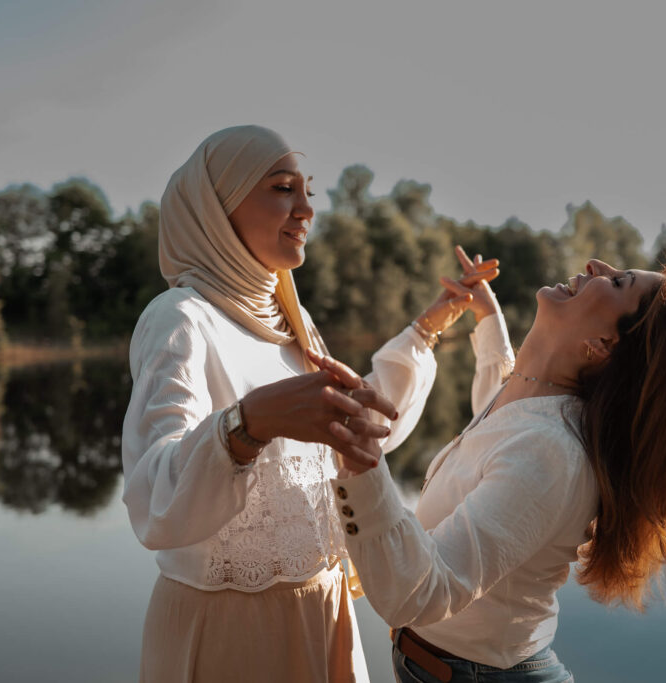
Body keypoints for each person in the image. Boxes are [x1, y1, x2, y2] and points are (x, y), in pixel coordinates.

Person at [120, 124, 498, 683]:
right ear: (217, 207)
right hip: (232, 637)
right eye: (281, 188)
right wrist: (245, 426)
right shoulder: (182, 318)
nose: (306, 210)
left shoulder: (288, 321)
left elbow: (359, 427)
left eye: (308, 191)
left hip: (326, 618)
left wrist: (430, 325)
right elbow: (154, 501)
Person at [309, 256, 666, 682]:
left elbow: (423, 592)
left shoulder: (550, 451)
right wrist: (486, 316)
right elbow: (501, 423)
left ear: (603, 343)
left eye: (619, 282)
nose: (597, 264)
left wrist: (361, 462)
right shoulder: (533, 401)